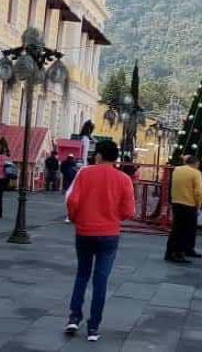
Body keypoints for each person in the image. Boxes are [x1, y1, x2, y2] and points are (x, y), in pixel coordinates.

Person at [64, 140, 135, 342]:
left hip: (84, 232)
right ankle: (94, 327)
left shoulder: (85, 173)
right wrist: (114, 218)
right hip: (109, 233)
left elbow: (72, 200)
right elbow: (129, 211)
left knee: (82, 274)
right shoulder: (123, 179)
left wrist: (76, 219)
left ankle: (74, 317)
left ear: (99, 155)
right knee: (101, 280)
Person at [165, 155, 202, 264]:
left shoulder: (177, 170)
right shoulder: (196, 173)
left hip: (176, 202)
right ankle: (179, 253)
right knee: (186, 230)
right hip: (189, 204)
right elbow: (199, 192)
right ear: (196, 163)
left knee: (177, 228)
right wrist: (199, 205)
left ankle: (172, 252)